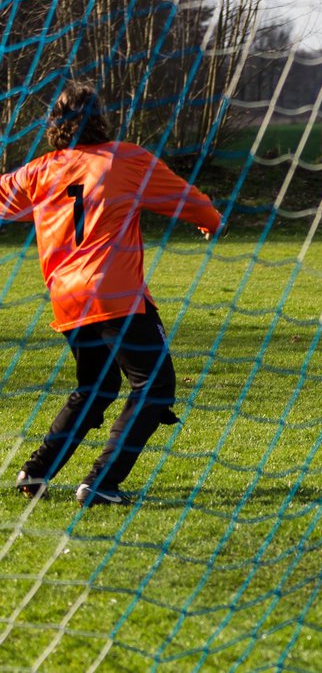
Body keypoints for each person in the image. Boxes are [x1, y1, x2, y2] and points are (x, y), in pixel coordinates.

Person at [0, 82, 223, 506]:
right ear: (100, 117)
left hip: (68, 298)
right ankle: (101, 481)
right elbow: (186, 199)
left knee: (97, 386)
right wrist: (212, 221)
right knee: (154, 386)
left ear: (55, 125)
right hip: (115, 294)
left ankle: (36, 471)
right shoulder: (126, 159)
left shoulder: (39, 170)